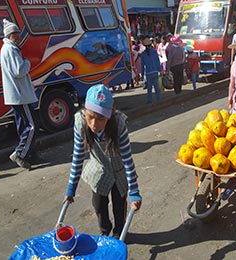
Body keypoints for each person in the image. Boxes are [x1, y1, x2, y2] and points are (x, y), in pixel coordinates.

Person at [62, 84, 142, 239]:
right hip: (98, 169)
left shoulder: (118, 124)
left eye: (100, 119)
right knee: (99, 206)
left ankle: (120, 235)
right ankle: (105, 233)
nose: (93, 124)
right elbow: (78, 157)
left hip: (119, 171)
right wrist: (70, 189)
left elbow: (127, 159)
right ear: (85, 110)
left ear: (109, 116)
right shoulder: (80, 122)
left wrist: (134, 192)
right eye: (90, 116)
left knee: (120, 207)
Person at [0, 19, 40, 170]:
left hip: (16, 95)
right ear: (10, 35)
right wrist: (27, 62)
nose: (18, 35)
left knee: (23, 126)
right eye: (15, 33)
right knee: (32, 126)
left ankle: (30, 154)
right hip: (20, 95)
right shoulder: (11, 49)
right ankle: (20, 154)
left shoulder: (8, 48)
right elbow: (19, 71)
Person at [140, 37, 162, 104]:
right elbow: (157, 62)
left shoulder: (143, 54)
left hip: (148, 72)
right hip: (155, 71)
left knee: (149, 88)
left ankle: (149, 100)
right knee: (156, 87)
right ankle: (158, 99)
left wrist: (142, 74)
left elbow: (142, 65)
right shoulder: (154, 52)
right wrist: (160, 70)